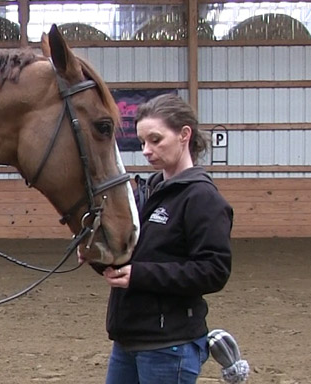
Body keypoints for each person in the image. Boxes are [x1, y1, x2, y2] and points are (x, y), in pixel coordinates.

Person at [87, 93, 234, 384]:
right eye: (142, 142)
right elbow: (132, 257)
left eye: (155, 140)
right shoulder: (145, 193)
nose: (146, 150)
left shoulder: (202, 198)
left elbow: (213, 271)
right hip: (128, 341)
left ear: (184, 135)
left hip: (170, 346)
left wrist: (140, 275)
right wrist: (98, 254)